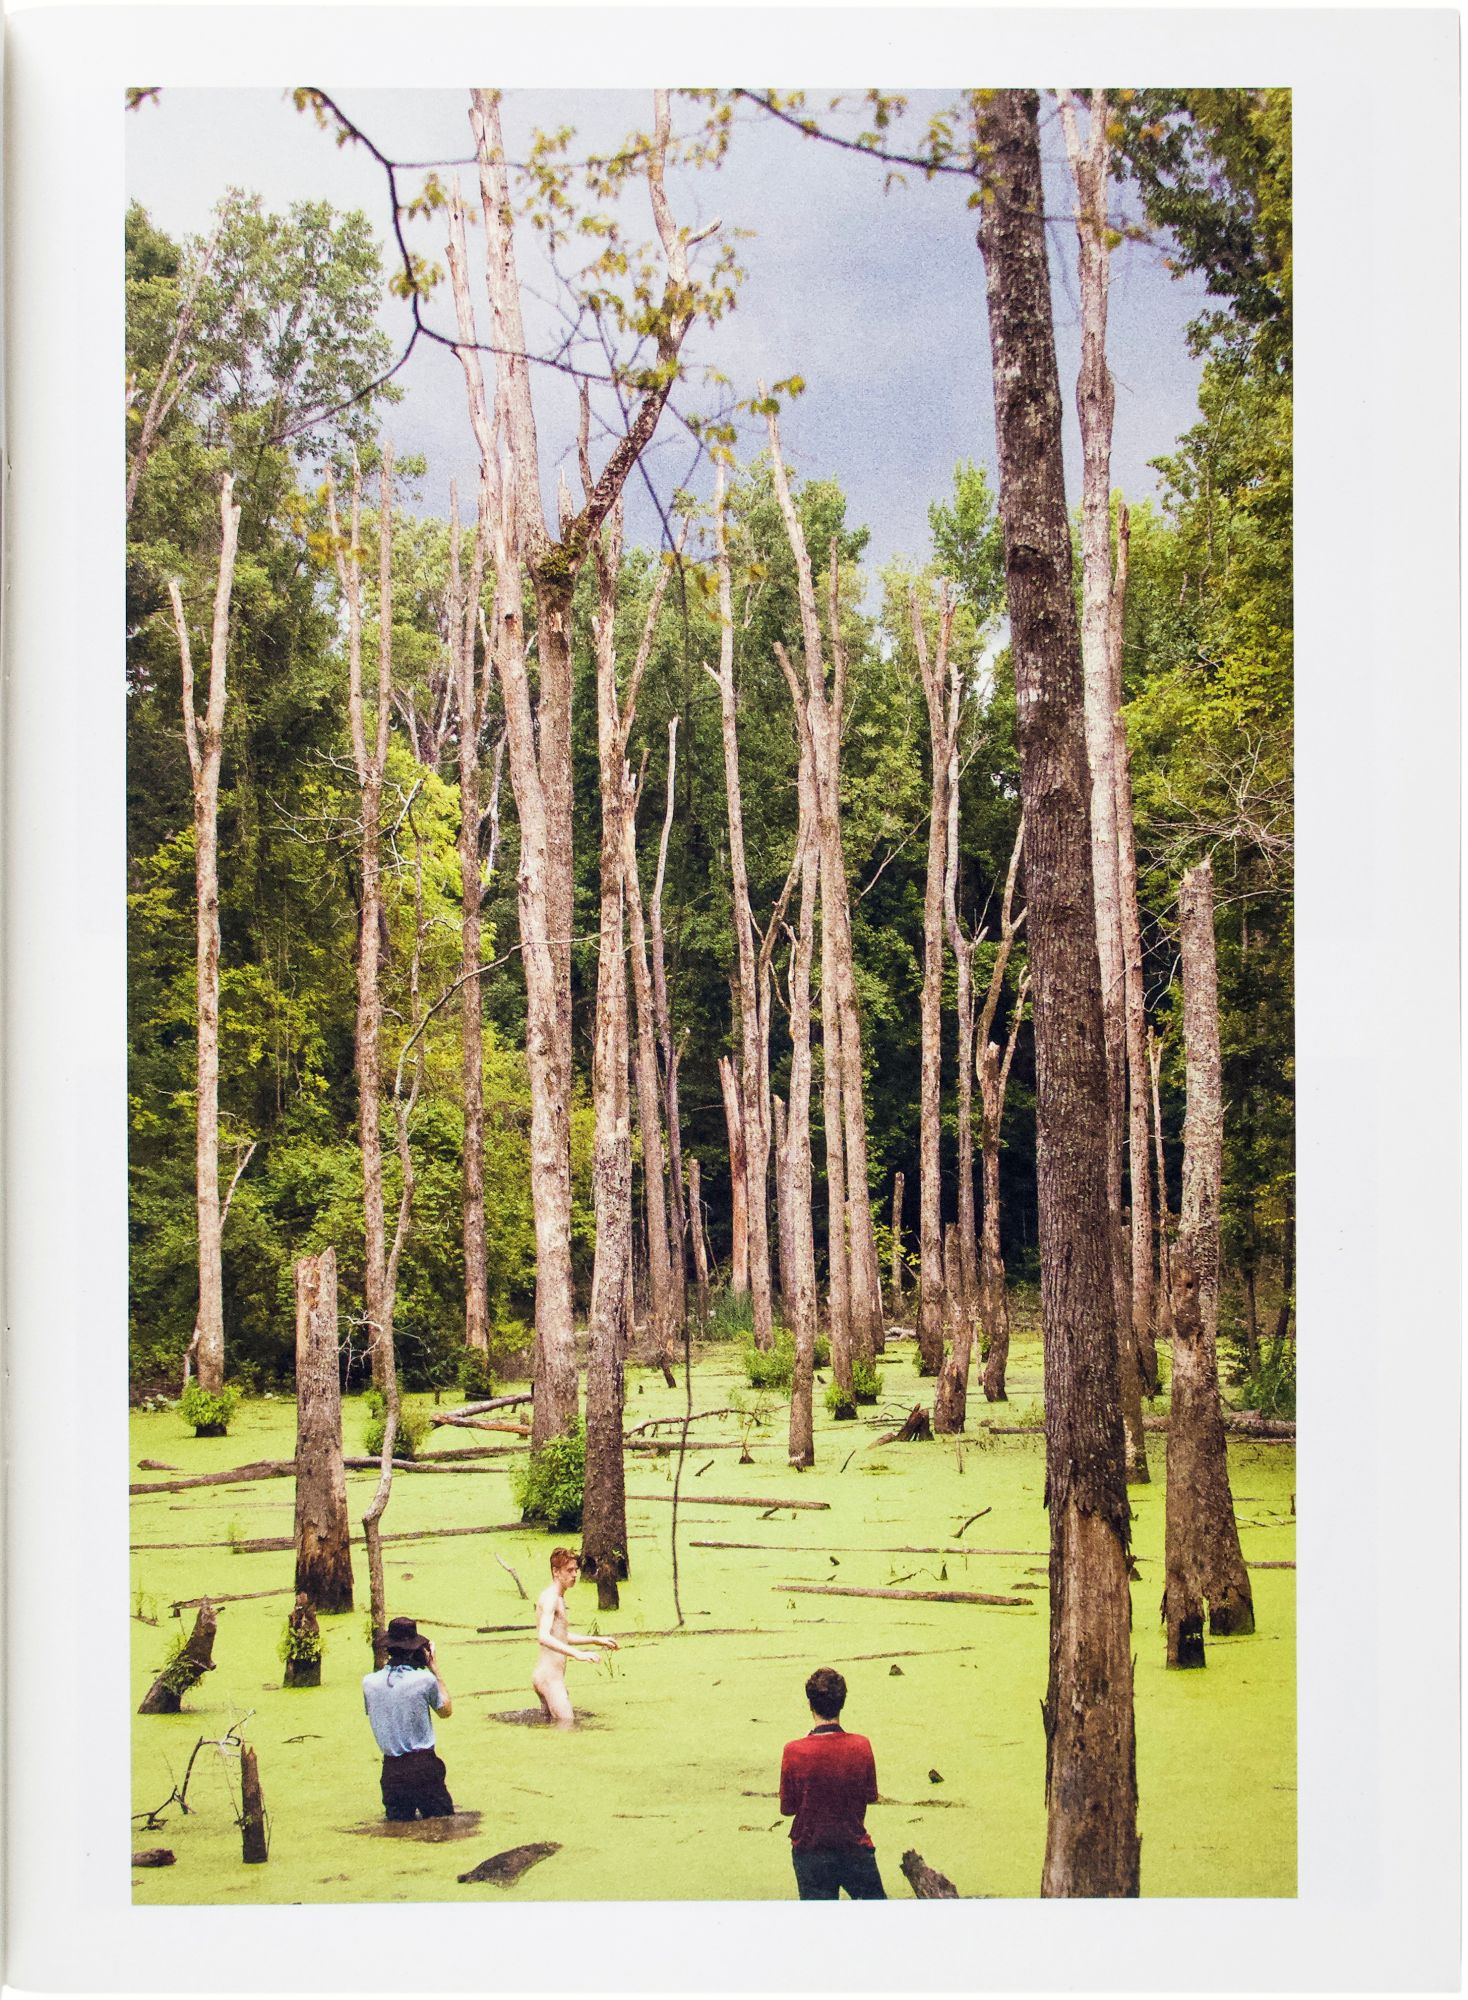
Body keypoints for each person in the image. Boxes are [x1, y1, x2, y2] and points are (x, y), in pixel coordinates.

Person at [778, 1667, 886, 1899]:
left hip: (810, 1853)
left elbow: (787, 1809)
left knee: (819, 1928)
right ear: (842, 1703)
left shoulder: (793, 1751)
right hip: (854, 1849)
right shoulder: (861, 1745)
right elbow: (871, 1795)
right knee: (879, 1921)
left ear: (810, 1704)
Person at [362, 1615, 455, 1821]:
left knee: (398, 1831)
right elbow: (446, 1711)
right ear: (416, 1650)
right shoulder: (425, 1679)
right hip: (423, 1767)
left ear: (388, 1649)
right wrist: (435, 1669)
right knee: (444, 1825)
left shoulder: (368, 1683)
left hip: (391, 1772)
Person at [531, 1547, 618, 1727]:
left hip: (548, 1676)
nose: (574, 1575)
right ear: (556, 1571)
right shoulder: (551, 1598)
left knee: (552, 1728)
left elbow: (560, 1635)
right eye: (569, 1570)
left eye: (576, 1570)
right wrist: (577, 1654)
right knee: (567, 1726)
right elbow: (544, 1636)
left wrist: (596, 1640)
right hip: (550, 1678)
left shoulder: (558, 1598)